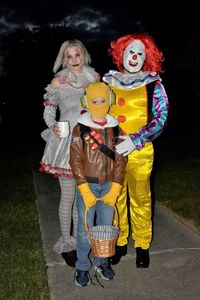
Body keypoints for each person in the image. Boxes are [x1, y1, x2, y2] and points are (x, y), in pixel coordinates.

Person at [103, 33, 169, 268]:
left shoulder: (153, 84)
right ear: (121, 53)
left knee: (141, 199)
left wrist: (136, 139)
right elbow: (97, 111)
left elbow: (161, 118)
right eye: (131, 51)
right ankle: (120, 243)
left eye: (141, 53)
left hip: (141, 152)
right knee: (116, 198)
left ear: (147, 58)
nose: (135, 56)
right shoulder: (108, 82)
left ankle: (142, 245)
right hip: (113, 151)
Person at [39, 39, 100, 267]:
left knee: (82, 198)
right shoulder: (58, 80)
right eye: (69, 56)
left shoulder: (94, 78)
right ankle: (67, 242)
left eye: (77, 55)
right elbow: (48, 111)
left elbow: (101, 106)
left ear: (84, 55)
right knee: (68, 196)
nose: (74, 60)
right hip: (65, 144)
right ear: (63, 59)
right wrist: (52, 124)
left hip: (89, 144)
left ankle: (80, 240)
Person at [69, 82, 127, 286]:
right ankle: (82, 266)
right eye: (95, 101)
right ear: (87, 102)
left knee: (104, 229)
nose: (100, 104)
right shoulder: (79, 129)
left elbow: (121, 160)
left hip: (109, 186)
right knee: (86, 231)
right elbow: (75, 160)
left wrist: (116, 187)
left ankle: (102, 262)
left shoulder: (117, 129)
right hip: (89, 186)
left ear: (110, 101)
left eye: (103, 100)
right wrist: (84, 188)